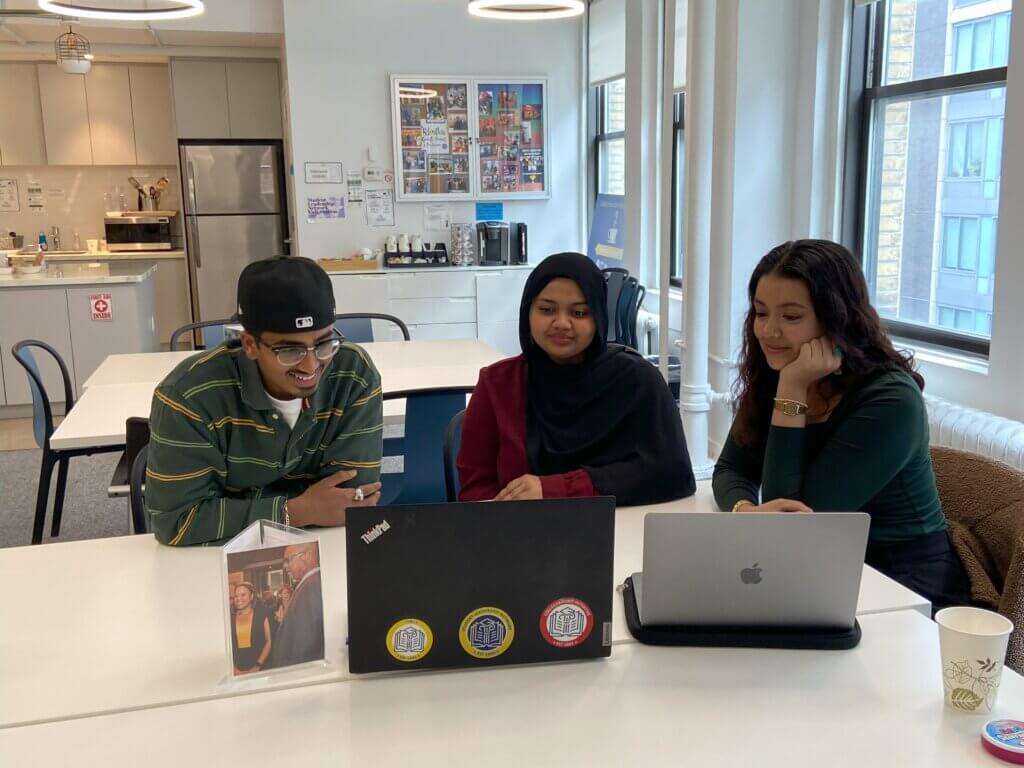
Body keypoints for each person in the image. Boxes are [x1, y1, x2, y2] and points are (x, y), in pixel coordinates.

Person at [712, 239, 975, 611]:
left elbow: (799, 525)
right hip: (820, 566)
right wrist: (744, 511)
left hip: (905, 583)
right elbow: (730, 468)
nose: (769, 332)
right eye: (760, 312)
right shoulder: (781, 367)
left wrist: (792, 388)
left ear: (836, 317)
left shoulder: (891, 401)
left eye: (791, 317)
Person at [147, 256, 384, 546]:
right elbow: (177, 521)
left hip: (327, 548)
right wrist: (296, 510)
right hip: (212, 561)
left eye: (324, 343)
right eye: (289, 350)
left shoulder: (353, 375)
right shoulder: (189, 396)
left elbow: (349, 501)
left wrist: (232, 507)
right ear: (249, 345)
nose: (311, 366)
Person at [457, 252, 696, 505]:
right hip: (523, 535)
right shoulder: (497, 385)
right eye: (547, 310)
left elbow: (672, 473)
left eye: (580, 313)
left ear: (599, 318)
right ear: (528, 312)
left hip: (622, 531)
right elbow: (475, 491)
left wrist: (555, 489)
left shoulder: (636, 381)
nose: (561, 323)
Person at [271, 542, 324, 669]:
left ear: (308, 555)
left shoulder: (310, 587)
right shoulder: (309, 584)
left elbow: (304, 646)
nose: (285, 566)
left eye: (288, 560)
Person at [229, 582, 272, 675]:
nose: (239, 598)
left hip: (260, 669)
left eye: (243, 595)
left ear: (251, 596)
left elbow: (269, 641)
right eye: (236, 596)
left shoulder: (262, 615)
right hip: (236, 671)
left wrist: (258, 665)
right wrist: (233, 669)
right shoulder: (229, 619)